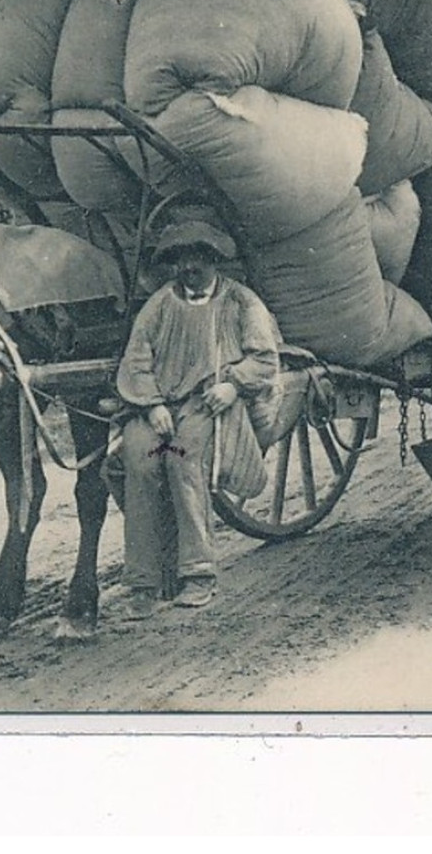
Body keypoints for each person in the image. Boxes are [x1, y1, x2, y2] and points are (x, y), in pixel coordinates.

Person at [114, 222, 279, 618]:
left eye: (198, 258)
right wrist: (152, 404)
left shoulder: (241, 302)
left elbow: (265, 359)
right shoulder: (159, 305)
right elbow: (136, 360)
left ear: (213, 260)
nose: (189, 267)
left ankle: (197, 574)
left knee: (181, 460)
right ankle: (144, 581)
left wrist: (234, 385)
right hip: (158, 409)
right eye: (181, 260)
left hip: (206, 404)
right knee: (138, 460)